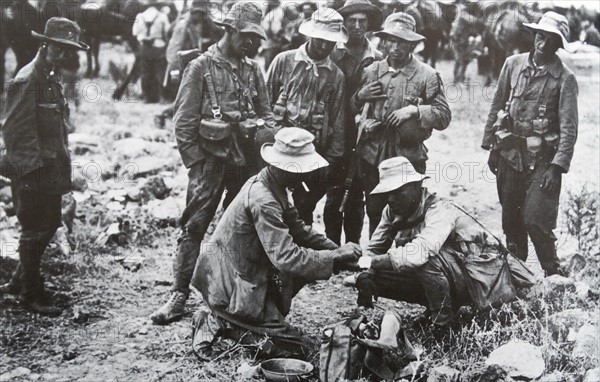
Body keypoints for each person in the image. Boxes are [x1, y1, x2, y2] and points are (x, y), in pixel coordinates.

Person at [150, 2, 274, 325]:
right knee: (194, 226)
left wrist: (260, 129)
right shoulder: (200, 67)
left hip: (244, 164)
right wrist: (195, 163)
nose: (251, 43)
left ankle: (232, 293)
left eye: (255, 38)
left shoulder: (253, 70)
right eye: (245, 36)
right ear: (229, 30)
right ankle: (178, 294)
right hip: (210, 162)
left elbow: (268, 113)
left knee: (243, 228)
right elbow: (184, 122)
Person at [190, 128, 362, 358]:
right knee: (301, 349)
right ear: (286, 168)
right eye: (303, 169)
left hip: (244, 274)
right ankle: (218, 321)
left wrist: (335, 250)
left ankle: (247, 319)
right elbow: (286, 257)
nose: (306, 175)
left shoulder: (274, 185)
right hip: (229, 285)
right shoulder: (264, 199)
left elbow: (299, 230)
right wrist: (335, 258)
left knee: (309, 268)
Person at [352, 157, 533, 328]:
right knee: (369, 275)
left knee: (425, 260)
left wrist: (368, 262)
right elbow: (375, 247)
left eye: (398, 191)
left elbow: (420, 253)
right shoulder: (392, 211)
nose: (391, 199)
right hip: (450, 275)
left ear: (416, 185)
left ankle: (443, 324)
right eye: (388, 193)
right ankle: (434, 308)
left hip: (482, 278)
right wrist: (366, 273)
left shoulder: (441, 209)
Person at [0, 17, 89, 316]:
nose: (65, 55)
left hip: (51, 167)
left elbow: (57, 127)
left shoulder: (50, 76)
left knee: (49, 224)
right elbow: (15, 132)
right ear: (46, 44)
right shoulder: (28, 80)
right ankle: (30, 293)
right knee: (36, 228)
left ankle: (19, 279)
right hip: (33, 170)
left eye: (69, 50)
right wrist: (31, 173)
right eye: (60, 48)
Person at [482, 12, 578, 277]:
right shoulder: (512, 64)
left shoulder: (565, 79)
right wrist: (491, 146)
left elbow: (569, 129)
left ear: (559, 45)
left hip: (543, 163)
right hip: (510, 156)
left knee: (536, 220)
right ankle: (517, 280)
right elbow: (497, 105)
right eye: (540, 37)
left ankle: (555, 278)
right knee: (512, 222)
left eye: (551, 40)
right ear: (533, 36)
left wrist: (556, 168)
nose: (543, 45)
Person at [351, 12, 451, 236]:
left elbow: (444, 116)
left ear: (413, 45)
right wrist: (361, 102)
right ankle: (376, 264)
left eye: (402, 42)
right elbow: (352, 110)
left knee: (408, 214)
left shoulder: (428, 75)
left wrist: (414, 110)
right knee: (375, 211)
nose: (395, 47)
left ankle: (402, 266)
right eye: (391, 41)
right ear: (384, 42)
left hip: (408, 156)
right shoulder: (371, 71)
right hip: (373, 154)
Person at [266, 7, 347, 234]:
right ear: (310, 35)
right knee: (274, 205)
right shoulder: (283, 61)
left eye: (330, 42)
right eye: (320, 39)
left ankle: (302, 258)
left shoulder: (336, 76)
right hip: (278, 151)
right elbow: (263, 104)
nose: (324, 46)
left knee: (304, 207)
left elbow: (339, 123)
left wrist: (329, 160)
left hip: (314, 154)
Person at [327, 0, 383, 245]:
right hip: (336, 132)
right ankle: (331, 246)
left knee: (358, 191)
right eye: (352, 21)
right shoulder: (333, 55)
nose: (358, 26)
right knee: (334, 191)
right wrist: (357, 97)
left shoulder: (379, 59)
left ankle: (351, 247)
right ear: (344, 24)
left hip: (365, 135)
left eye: (363, 21)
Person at [154, 0, 224, 128]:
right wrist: (174, 71)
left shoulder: (200, 23)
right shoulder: (183, 25)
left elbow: (219, 33)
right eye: (200, 13)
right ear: (194, 12)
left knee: (192, 97)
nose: (203, 16)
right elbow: (174, 48)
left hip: (194, 66)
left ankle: (169, 117)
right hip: (181, 66)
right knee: (186, 98)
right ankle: (164, 115)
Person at [132, 1, 170, 103]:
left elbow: (135, 32)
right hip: (158, 47)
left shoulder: (140, 16)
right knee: (159, 72)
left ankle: (147, 98)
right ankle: (161, 97)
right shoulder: (162, 16)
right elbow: (167, 32)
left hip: (144, 48)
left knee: (145, 72)